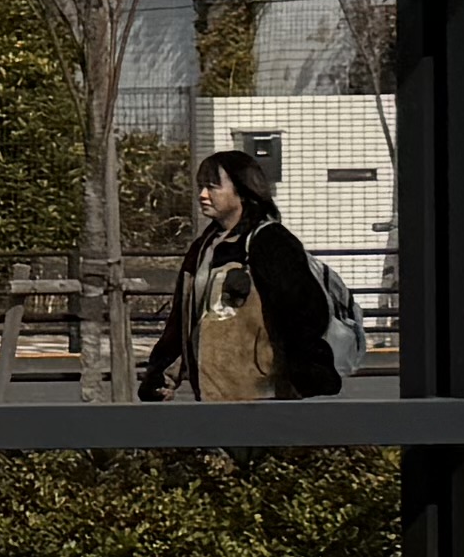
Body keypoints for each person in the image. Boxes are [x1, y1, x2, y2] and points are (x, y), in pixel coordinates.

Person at [137, 149, 339, 401]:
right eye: (201, 187)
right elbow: (184, 319)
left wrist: (307, 373)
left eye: (212, 187)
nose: (203, 195)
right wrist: (161, 373)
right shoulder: (202, 248)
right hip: (212, 395)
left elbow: (306, 313)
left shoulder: (271, 242)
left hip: (265, 396)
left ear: (243, 190)